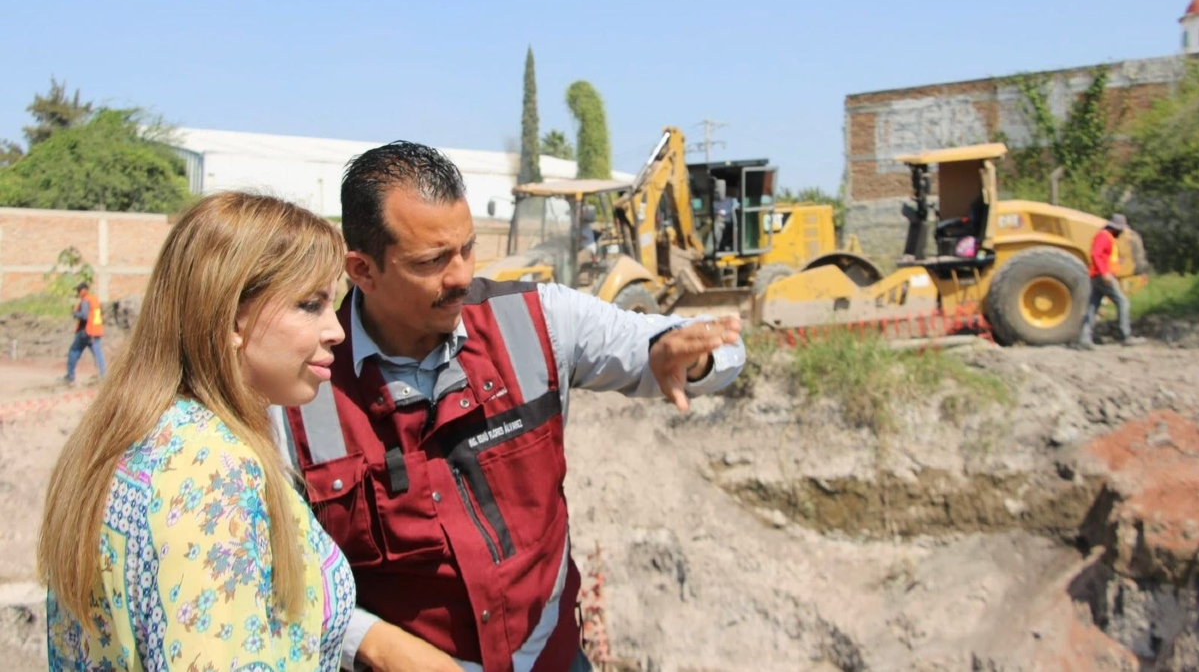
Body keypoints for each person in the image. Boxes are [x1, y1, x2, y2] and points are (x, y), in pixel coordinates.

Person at [278, 141, 745, 672]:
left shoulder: (538, 319)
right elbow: (284, 569)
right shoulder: (297, 395)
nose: (459, 276)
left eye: (467, 249)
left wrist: (686, 357)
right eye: (431, 261)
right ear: (362, 270)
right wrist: (375, 644)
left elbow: (713, 346)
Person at [39, 192, 356, 671]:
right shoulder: (213, 470)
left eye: (332, 303)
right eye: (310, 304)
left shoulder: (129, 432)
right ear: (230, 316)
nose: (335, 330)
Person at [1078, 213, 1145, 349]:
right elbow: (1096, 254)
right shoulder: (1104, 236)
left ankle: (1084, 339)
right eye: (1121, 229)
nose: (1121, 232)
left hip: (1097, 276)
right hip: (1103, 277)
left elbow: (1104, 256)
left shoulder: (1106, 237)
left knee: (1092, 306)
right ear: (1117, 228)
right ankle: (1125, 335)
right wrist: (1105, 274)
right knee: (1122, 302)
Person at [63, 280, 106, 385]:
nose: (77, 292)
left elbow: (84, 315)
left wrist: (75, 313)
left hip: (86, 332)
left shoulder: (86, 300)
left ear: (84, 290)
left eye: (79, 290)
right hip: (95, 332)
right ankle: (103, 375)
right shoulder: (94, 299)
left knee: (74, 351)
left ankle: (70, 376)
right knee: (98, 353)